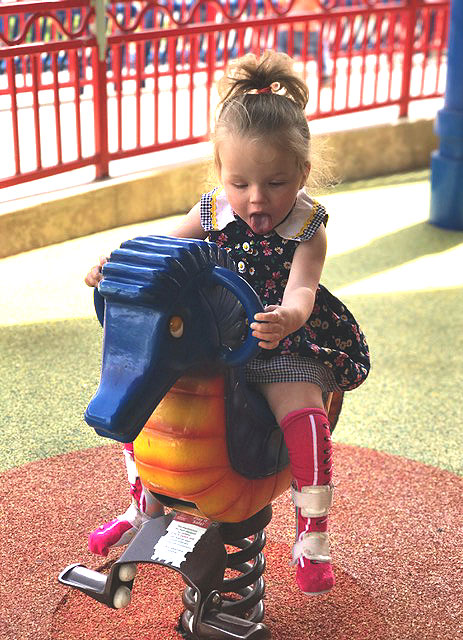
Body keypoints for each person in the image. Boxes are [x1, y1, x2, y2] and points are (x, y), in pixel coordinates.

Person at [85, 50, 370, 596]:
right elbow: (164, 250)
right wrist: (115, 266)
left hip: (279, 334)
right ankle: (142, 504)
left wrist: (287, 317)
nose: (256, 199)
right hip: (218, 328)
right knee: (141, 395)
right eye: (240, 183)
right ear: (221, 175)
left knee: (302, 410)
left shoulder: (308, 226)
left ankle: (312, 533)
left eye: (276, 183)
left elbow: (304, 289)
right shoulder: (216, 208)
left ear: (303, 174)